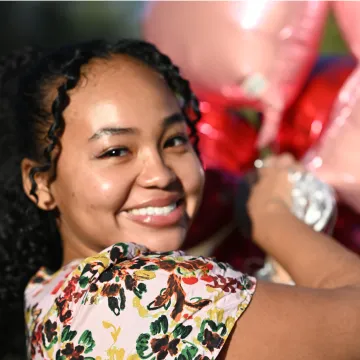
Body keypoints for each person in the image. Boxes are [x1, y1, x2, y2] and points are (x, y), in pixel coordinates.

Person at [0, 40, 360, 360]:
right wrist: (271, 216)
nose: (161, 174)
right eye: (116, 151)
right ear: (40, 184)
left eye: (174, 140)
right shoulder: (144, 296)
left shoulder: (49, 295)